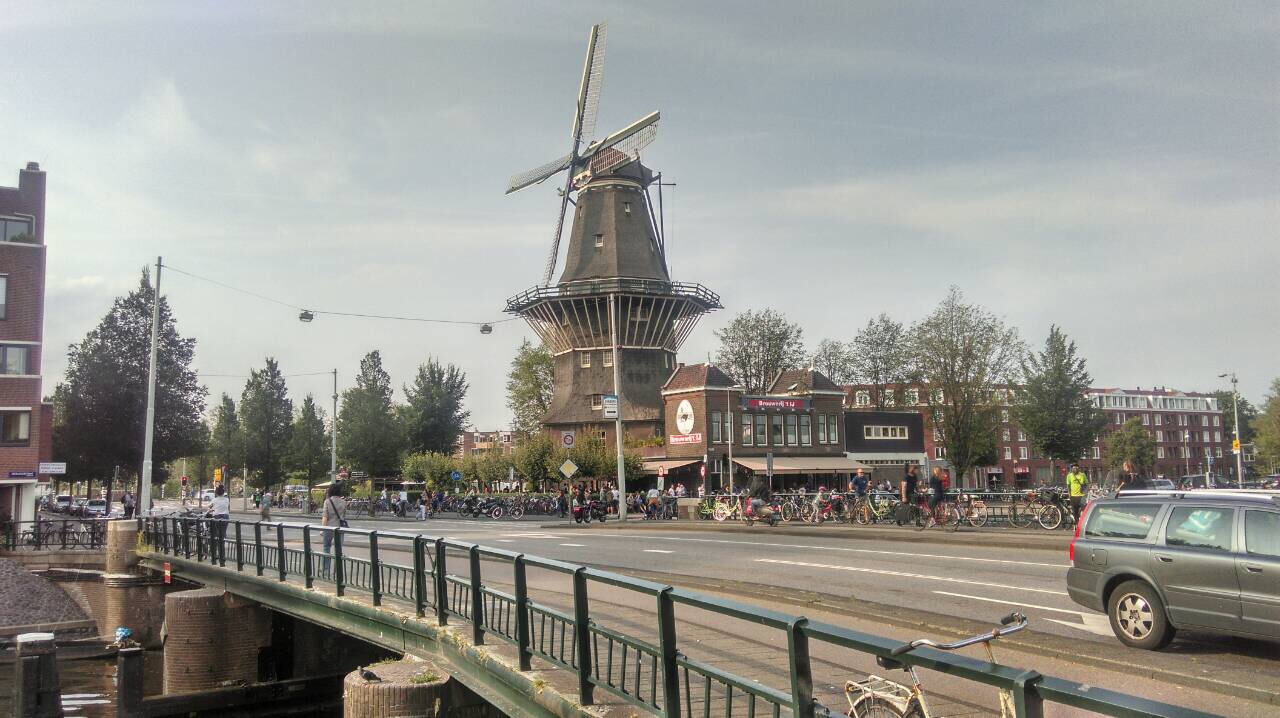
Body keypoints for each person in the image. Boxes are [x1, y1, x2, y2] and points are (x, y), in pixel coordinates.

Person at [321, 484, 347, 576]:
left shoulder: (327, 501)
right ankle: (337, 571)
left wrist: (322, 529)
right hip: (340, 528)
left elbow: (325, 517)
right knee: (338, 550)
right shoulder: (344, 502)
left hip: (328, 528)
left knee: (326, 547)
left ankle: (325, 570)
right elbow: (343, 516)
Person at [207, 484, 231, 566]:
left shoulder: (214, 500)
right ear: (223, 492)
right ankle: (222, 557)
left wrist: (211, 509)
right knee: (222, 535)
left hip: (217, 517)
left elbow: (209, 507)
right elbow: (226, 506)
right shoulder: (227, 499)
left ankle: (214, 556)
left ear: (216, 493)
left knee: (215, 536)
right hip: (225, 517)